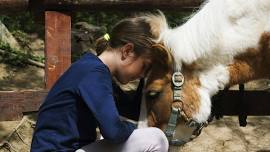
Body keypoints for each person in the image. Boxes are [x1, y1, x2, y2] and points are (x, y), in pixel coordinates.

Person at [30, 15, 169, 152]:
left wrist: (148, 79)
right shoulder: (93, 73)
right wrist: (141, 128)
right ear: (127, 51)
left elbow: (133, 110)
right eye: (144, 67)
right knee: (155, 139)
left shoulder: (93, 70)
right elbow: (114, 132)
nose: (142, 74)